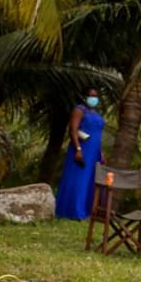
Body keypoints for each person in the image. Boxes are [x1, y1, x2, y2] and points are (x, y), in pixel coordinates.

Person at [54, 86, 105, 219]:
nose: (93, 99)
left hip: (95, 151)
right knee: (79, 179)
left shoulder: (96, 113)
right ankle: (74, 210)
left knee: (90, 180)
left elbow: (98, 136)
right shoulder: (79, 110)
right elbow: (73, 130)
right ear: (85, 97)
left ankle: (89, 210)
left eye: (96, 96)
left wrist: (101, 152)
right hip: (83, 149)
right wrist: (78, 149)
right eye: (91, 96)